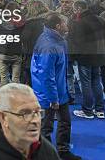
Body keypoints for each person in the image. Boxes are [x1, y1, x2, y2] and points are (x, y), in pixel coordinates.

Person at [0, 83, 60, 159]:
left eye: (37, 112)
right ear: (3, 118)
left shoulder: (47, 151)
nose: (35, 120)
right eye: (25, 113)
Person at [31, 13, 81, 160]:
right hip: (49, 94)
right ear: (58, 26)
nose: (68, 25)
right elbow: (46, 75)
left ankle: (62, 150)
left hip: (59, 90)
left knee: (65, 122)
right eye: (65, 23)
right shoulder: (50, 45)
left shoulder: (57, 40)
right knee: (46, 127)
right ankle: (44, 155)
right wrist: (53, 98)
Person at [69, 0, 105, 119]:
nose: (74, 12)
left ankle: (88, 110)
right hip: (99, 54)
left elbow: (76, 42)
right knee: (96, 81)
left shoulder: (79, 22)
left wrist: (73, 57)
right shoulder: (100, 19)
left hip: (85, 56)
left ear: (79, 9)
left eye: (75, 10)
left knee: (86, 83)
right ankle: (100, 109)